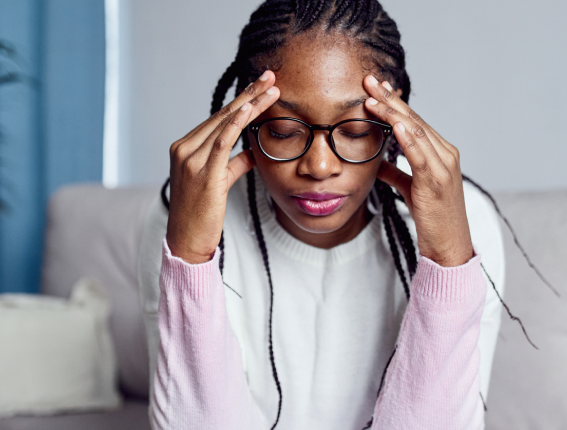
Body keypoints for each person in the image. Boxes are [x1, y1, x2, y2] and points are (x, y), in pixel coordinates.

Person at [137, 1, 511, 428]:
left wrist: (448, 264)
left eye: (354, 131)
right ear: (246, 120)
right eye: (283, 131)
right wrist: (190, 259)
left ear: (395, 119)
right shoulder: (182, 216)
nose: (319, 166)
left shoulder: (465, 221)